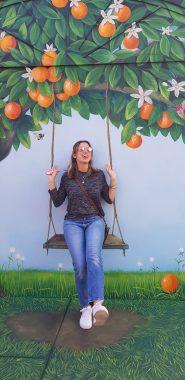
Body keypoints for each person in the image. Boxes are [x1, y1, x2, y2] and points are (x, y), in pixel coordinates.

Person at [47, 140, 117, 329]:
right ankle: (86, 307)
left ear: (91, 155)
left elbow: (108, 201)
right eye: (81, 149)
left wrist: (113, 179)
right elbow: (58, 202)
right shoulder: (67, 178)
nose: (85, 151)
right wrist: (52, 181)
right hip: (73, 223)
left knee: (92, 257)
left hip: (95, 220)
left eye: (88, 149)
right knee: (79, 264)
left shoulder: (99, 176)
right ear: (75, 155)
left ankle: (98, 305)